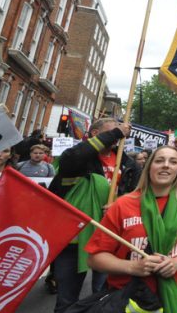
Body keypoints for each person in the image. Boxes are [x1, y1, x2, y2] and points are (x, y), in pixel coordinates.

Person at [85, 145, 177, 311]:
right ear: (149, 167)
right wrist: (133, 267)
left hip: (175, 293)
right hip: (128, 297)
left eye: (173, 162)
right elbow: (94, 258)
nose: (166, 165)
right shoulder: (122, 204)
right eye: (159, 160)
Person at [48, 118, 131, 313]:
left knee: (105, 298)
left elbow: (134, 193)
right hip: (73, 242)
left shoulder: (125, 161)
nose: (119, 135)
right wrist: (117, 133)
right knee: (67, 301)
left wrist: (118, 205)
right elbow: (72, 158)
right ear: (95, 134)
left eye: (121, 133)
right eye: (114, 131)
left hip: (109, 240)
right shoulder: (80, 159)